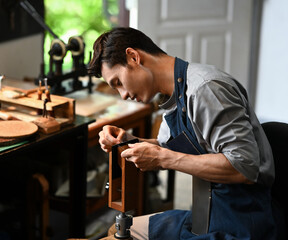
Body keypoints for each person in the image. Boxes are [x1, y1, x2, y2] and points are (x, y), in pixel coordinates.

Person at [88, 27, 282, 240]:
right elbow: (171, 148)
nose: (123, 94)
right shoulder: (174, 94)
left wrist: (163, 159)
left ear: (134, 57)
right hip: (205, 214)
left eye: (118, 82)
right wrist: (130, 142)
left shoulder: (206, 89)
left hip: (241, 223)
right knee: (117, 231)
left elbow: (244, 166)